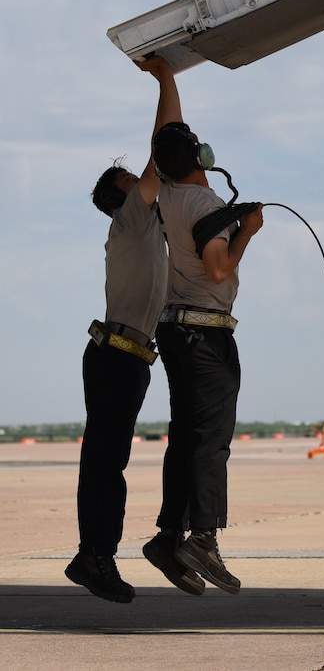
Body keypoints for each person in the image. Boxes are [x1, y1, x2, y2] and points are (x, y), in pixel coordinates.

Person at [66, 56, 204, 602]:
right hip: (117, 354)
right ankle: (94, 557)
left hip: (131, 355)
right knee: (105, 461)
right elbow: (161, 153)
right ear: (122, 198)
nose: (154, 184)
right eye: (139, 182)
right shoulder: (130, 219)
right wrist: (167, 81)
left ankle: (98, 554)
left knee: (109, 460)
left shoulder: (150, 233)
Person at [145, 114, 263, 595]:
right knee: (211, 440)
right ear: (199, 158)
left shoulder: (166, 196)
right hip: (205, 334)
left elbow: (162, 137)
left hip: (175, 332)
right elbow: (218, 270)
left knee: (187, 439)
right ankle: (204, 537)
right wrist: (247, 231)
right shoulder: (205, 203)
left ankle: (169, 536)